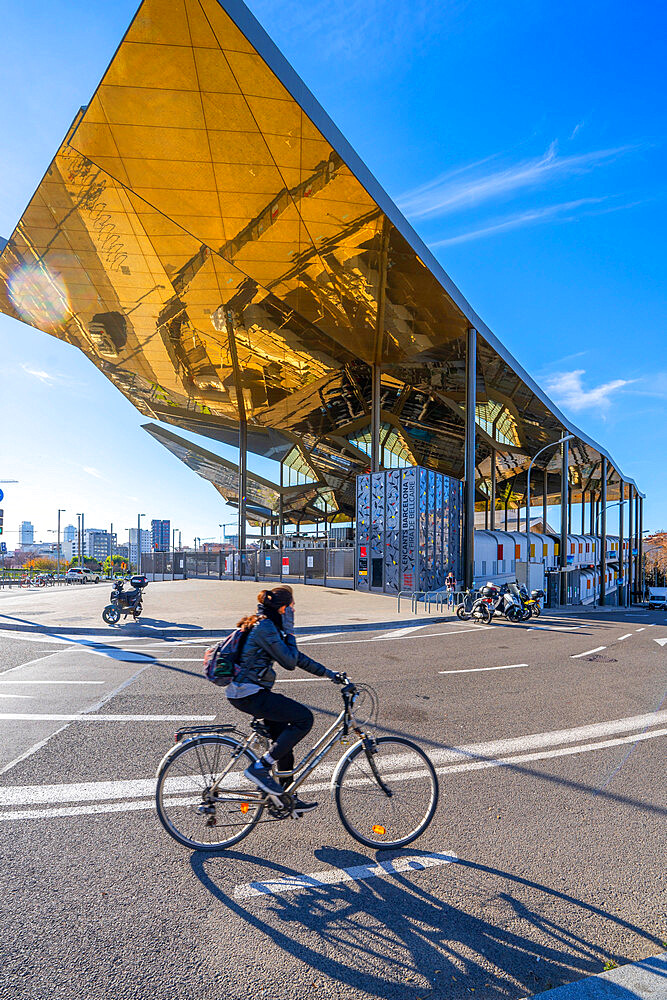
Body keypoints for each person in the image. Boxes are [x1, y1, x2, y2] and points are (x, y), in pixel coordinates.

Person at [226, 586, 344, 815]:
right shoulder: (266, 627)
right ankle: (260, 768)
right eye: (291, 606)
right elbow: (289, 662)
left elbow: (296, 658)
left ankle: (284, 798)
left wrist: (329, 674)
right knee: (304, 719)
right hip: (247, 693)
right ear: (282, 608)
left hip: (250, 691)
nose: (294, 609)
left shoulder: (267, 624)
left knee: (284, 743)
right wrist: (290, 630)